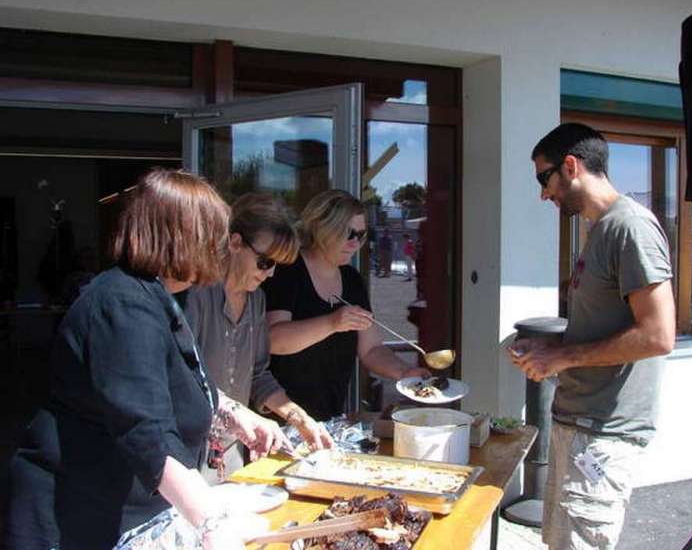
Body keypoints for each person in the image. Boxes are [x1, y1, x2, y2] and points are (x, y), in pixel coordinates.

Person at [5, 169, 290, 550]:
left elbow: (180, 382)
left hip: (117, 511)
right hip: (70, 518)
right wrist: (213, 522)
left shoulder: (163, 297)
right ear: (182, 238)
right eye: (213, 238)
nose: (221, 250)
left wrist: (235, 415)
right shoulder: (121, 304)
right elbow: (145, 430)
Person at [509, 124, 675, 550]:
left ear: (571, 166)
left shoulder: (630, 227)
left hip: (604, 433)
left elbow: (658, 335)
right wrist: (551, 350)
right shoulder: (599, 229)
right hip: (579, 421)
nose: (543, 194)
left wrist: (562, 358)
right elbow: (604, 326)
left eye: (543, 179)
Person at [184, 193, 334, 482]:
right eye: (265, 262)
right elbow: (188, 378)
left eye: (278, 265)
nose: (270, 273)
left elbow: (257, 375)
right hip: (188, 454)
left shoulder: (257, 302)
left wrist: (299, 418)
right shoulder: (197, 295)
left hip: (230, 452)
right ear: (235, 242)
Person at [265, 190, 430, 421]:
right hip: (279, 416)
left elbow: (371, 348)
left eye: (361, 235)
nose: (355, 243)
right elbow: (274, 340)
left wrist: (404, 372)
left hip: (329, 416)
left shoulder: (351, 279)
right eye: (348, 233)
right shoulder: (287, 270)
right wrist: (332, 322)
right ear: (322, 228)